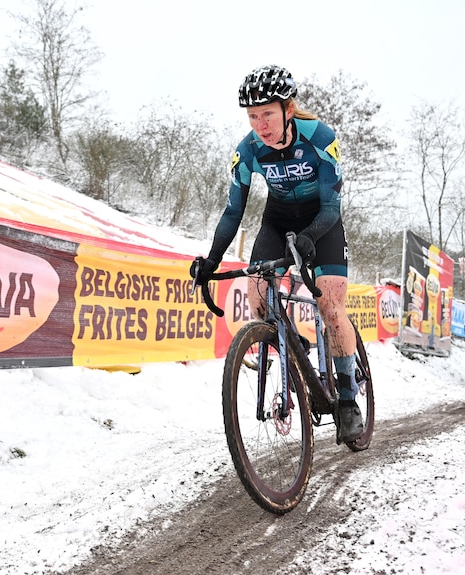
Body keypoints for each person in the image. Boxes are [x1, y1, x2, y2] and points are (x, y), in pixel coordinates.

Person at [189, 64, 361, 443]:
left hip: (323, 220)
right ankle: (296, 349)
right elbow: (233, 211)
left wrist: (311, 236)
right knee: (257, 297)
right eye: (253, 116)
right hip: (277, 219)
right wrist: (212, 260)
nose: (260, 124)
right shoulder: (248, 150)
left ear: (288, 108)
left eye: (267, 113)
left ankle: (348, 398)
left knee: (331, 306)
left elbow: (333, 206)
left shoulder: (320, 137)